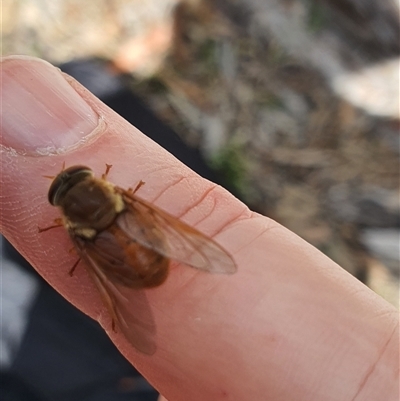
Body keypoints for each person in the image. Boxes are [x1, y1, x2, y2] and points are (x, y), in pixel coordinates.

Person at [1, 55, 398, 401]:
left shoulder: (69, 225)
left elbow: (82, 254)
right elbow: (151, 217)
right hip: (136, 252)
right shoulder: (115, 193)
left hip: (116, 263)